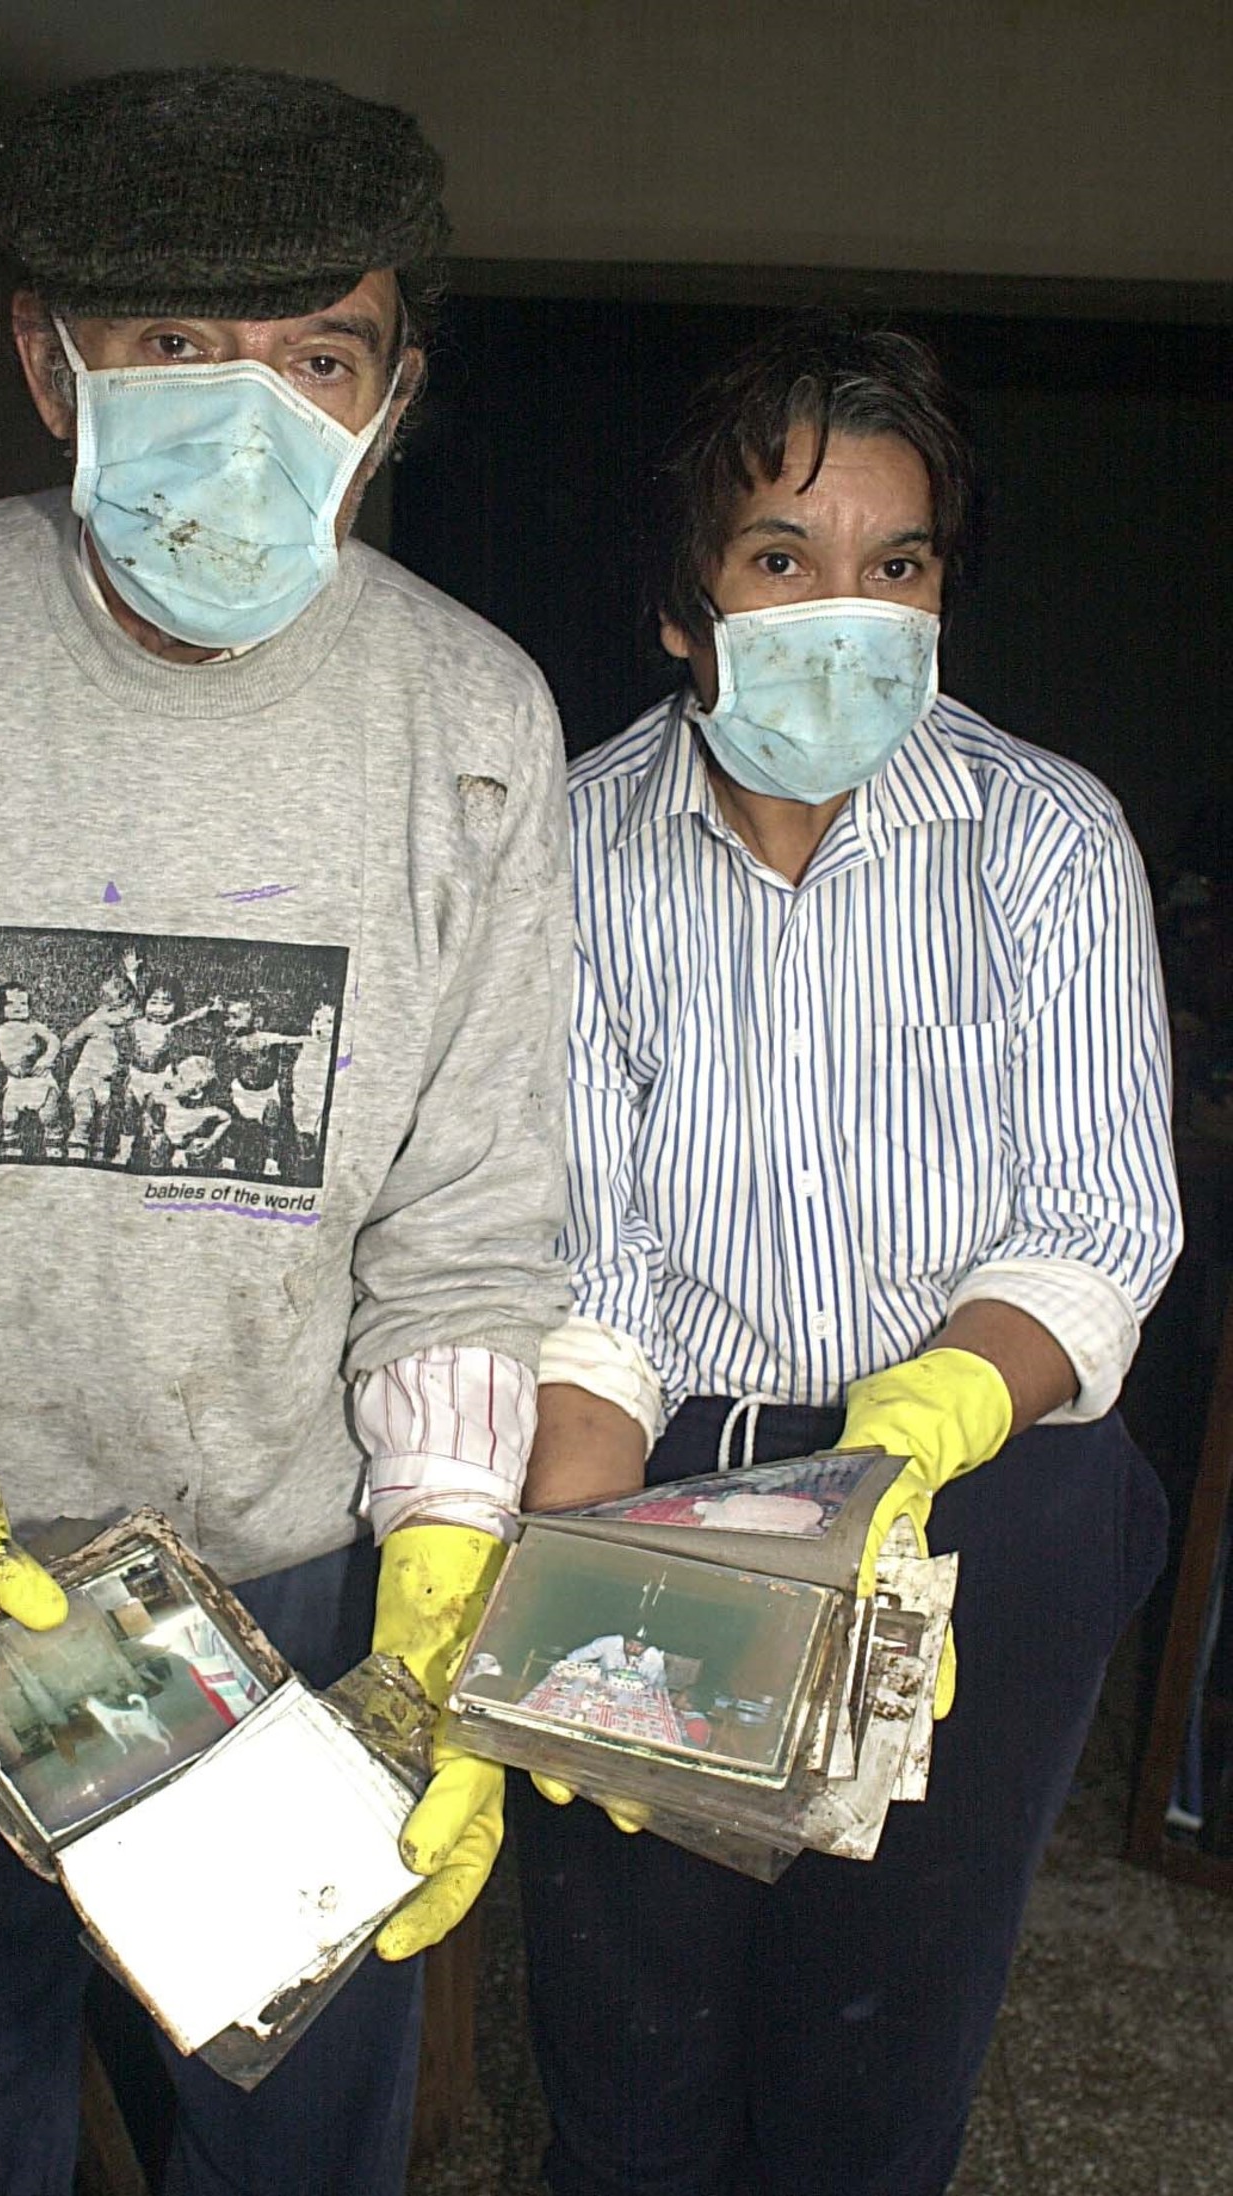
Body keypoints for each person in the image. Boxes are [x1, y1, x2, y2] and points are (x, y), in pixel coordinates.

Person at [0, 65, 571, 2196]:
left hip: (307, 1593)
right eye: (177, 345)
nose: (249, 412)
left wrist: (436, 1603)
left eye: (318, 354)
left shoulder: (471, 722)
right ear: (47, 361)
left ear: (393, 390)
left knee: (296, 2139)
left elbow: (471, 1220)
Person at [514, 318, 1180, 2196]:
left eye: (895, 568)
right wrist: (562, 1562)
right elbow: (597, 1245)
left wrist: (914, 1422)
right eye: (782, 560)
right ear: (680, 604)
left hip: (979, 1486)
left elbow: (1102, 1211)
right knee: (631, 2033)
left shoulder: (1038, 839)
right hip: (667, 1474)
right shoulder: (567, 847)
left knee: (872, 2040)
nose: (845, 611)